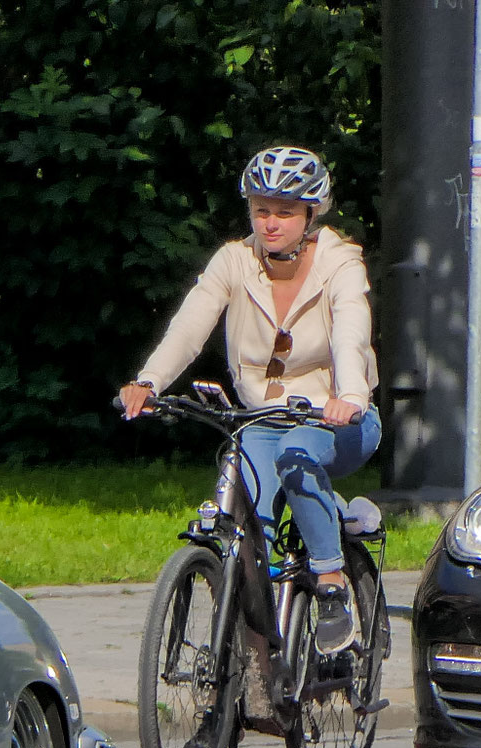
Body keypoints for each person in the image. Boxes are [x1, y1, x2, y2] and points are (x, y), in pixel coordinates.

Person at [120, 145, 379, 654]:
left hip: (338, 421)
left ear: (311, 214)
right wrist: (149, 382)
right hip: (261, 419)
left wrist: (349, 395)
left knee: (295, 458)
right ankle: (247, 665)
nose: (270, 223)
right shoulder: (235, 261)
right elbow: (190, 325)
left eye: (284, 212)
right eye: (261, 210)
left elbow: (351, 329)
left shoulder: (339, 263)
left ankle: (331, 587)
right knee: (248, 523)